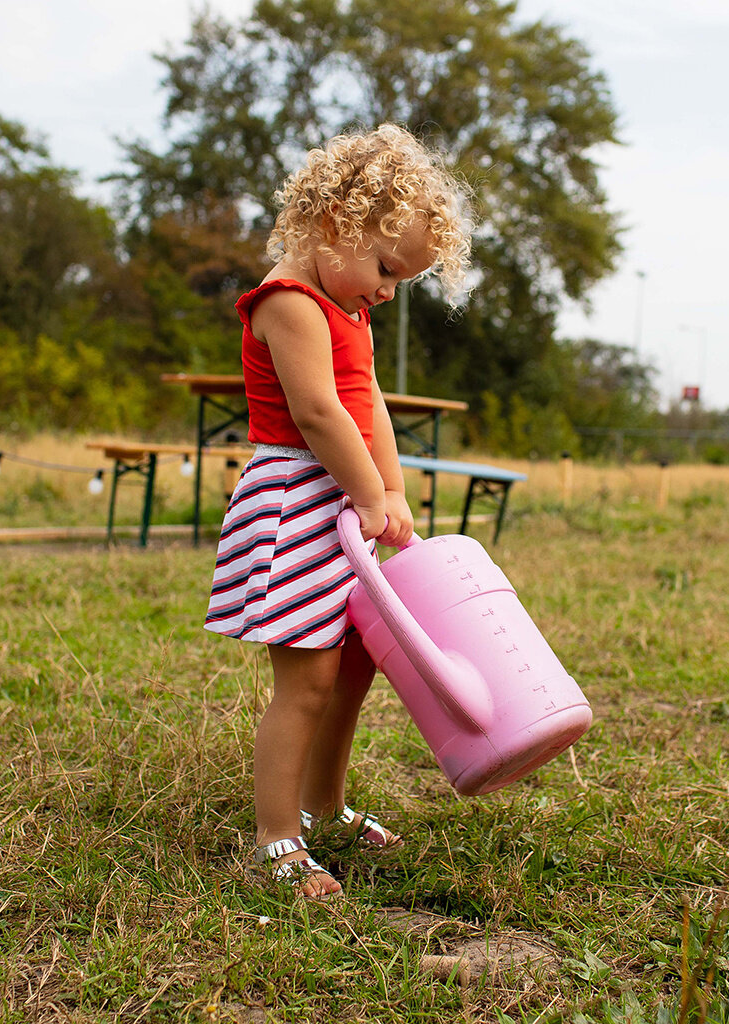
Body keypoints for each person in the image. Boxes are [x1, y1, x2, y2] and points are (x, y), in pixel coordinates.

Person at [204, 125, 472, 899]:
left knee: (353, 667)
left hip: (344, 505)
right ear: (333, 225)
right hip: (296, 502)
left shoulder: (349, 313)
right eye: (386, 268)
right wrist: (364, 491)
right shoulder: (288, 303)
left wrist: (391, 494)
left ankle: (325, 804)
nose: (387, 291)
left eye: (403, 281)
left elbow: (370, 408)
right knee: (309, 681)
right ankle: (277, 836)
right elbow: (319, 414)